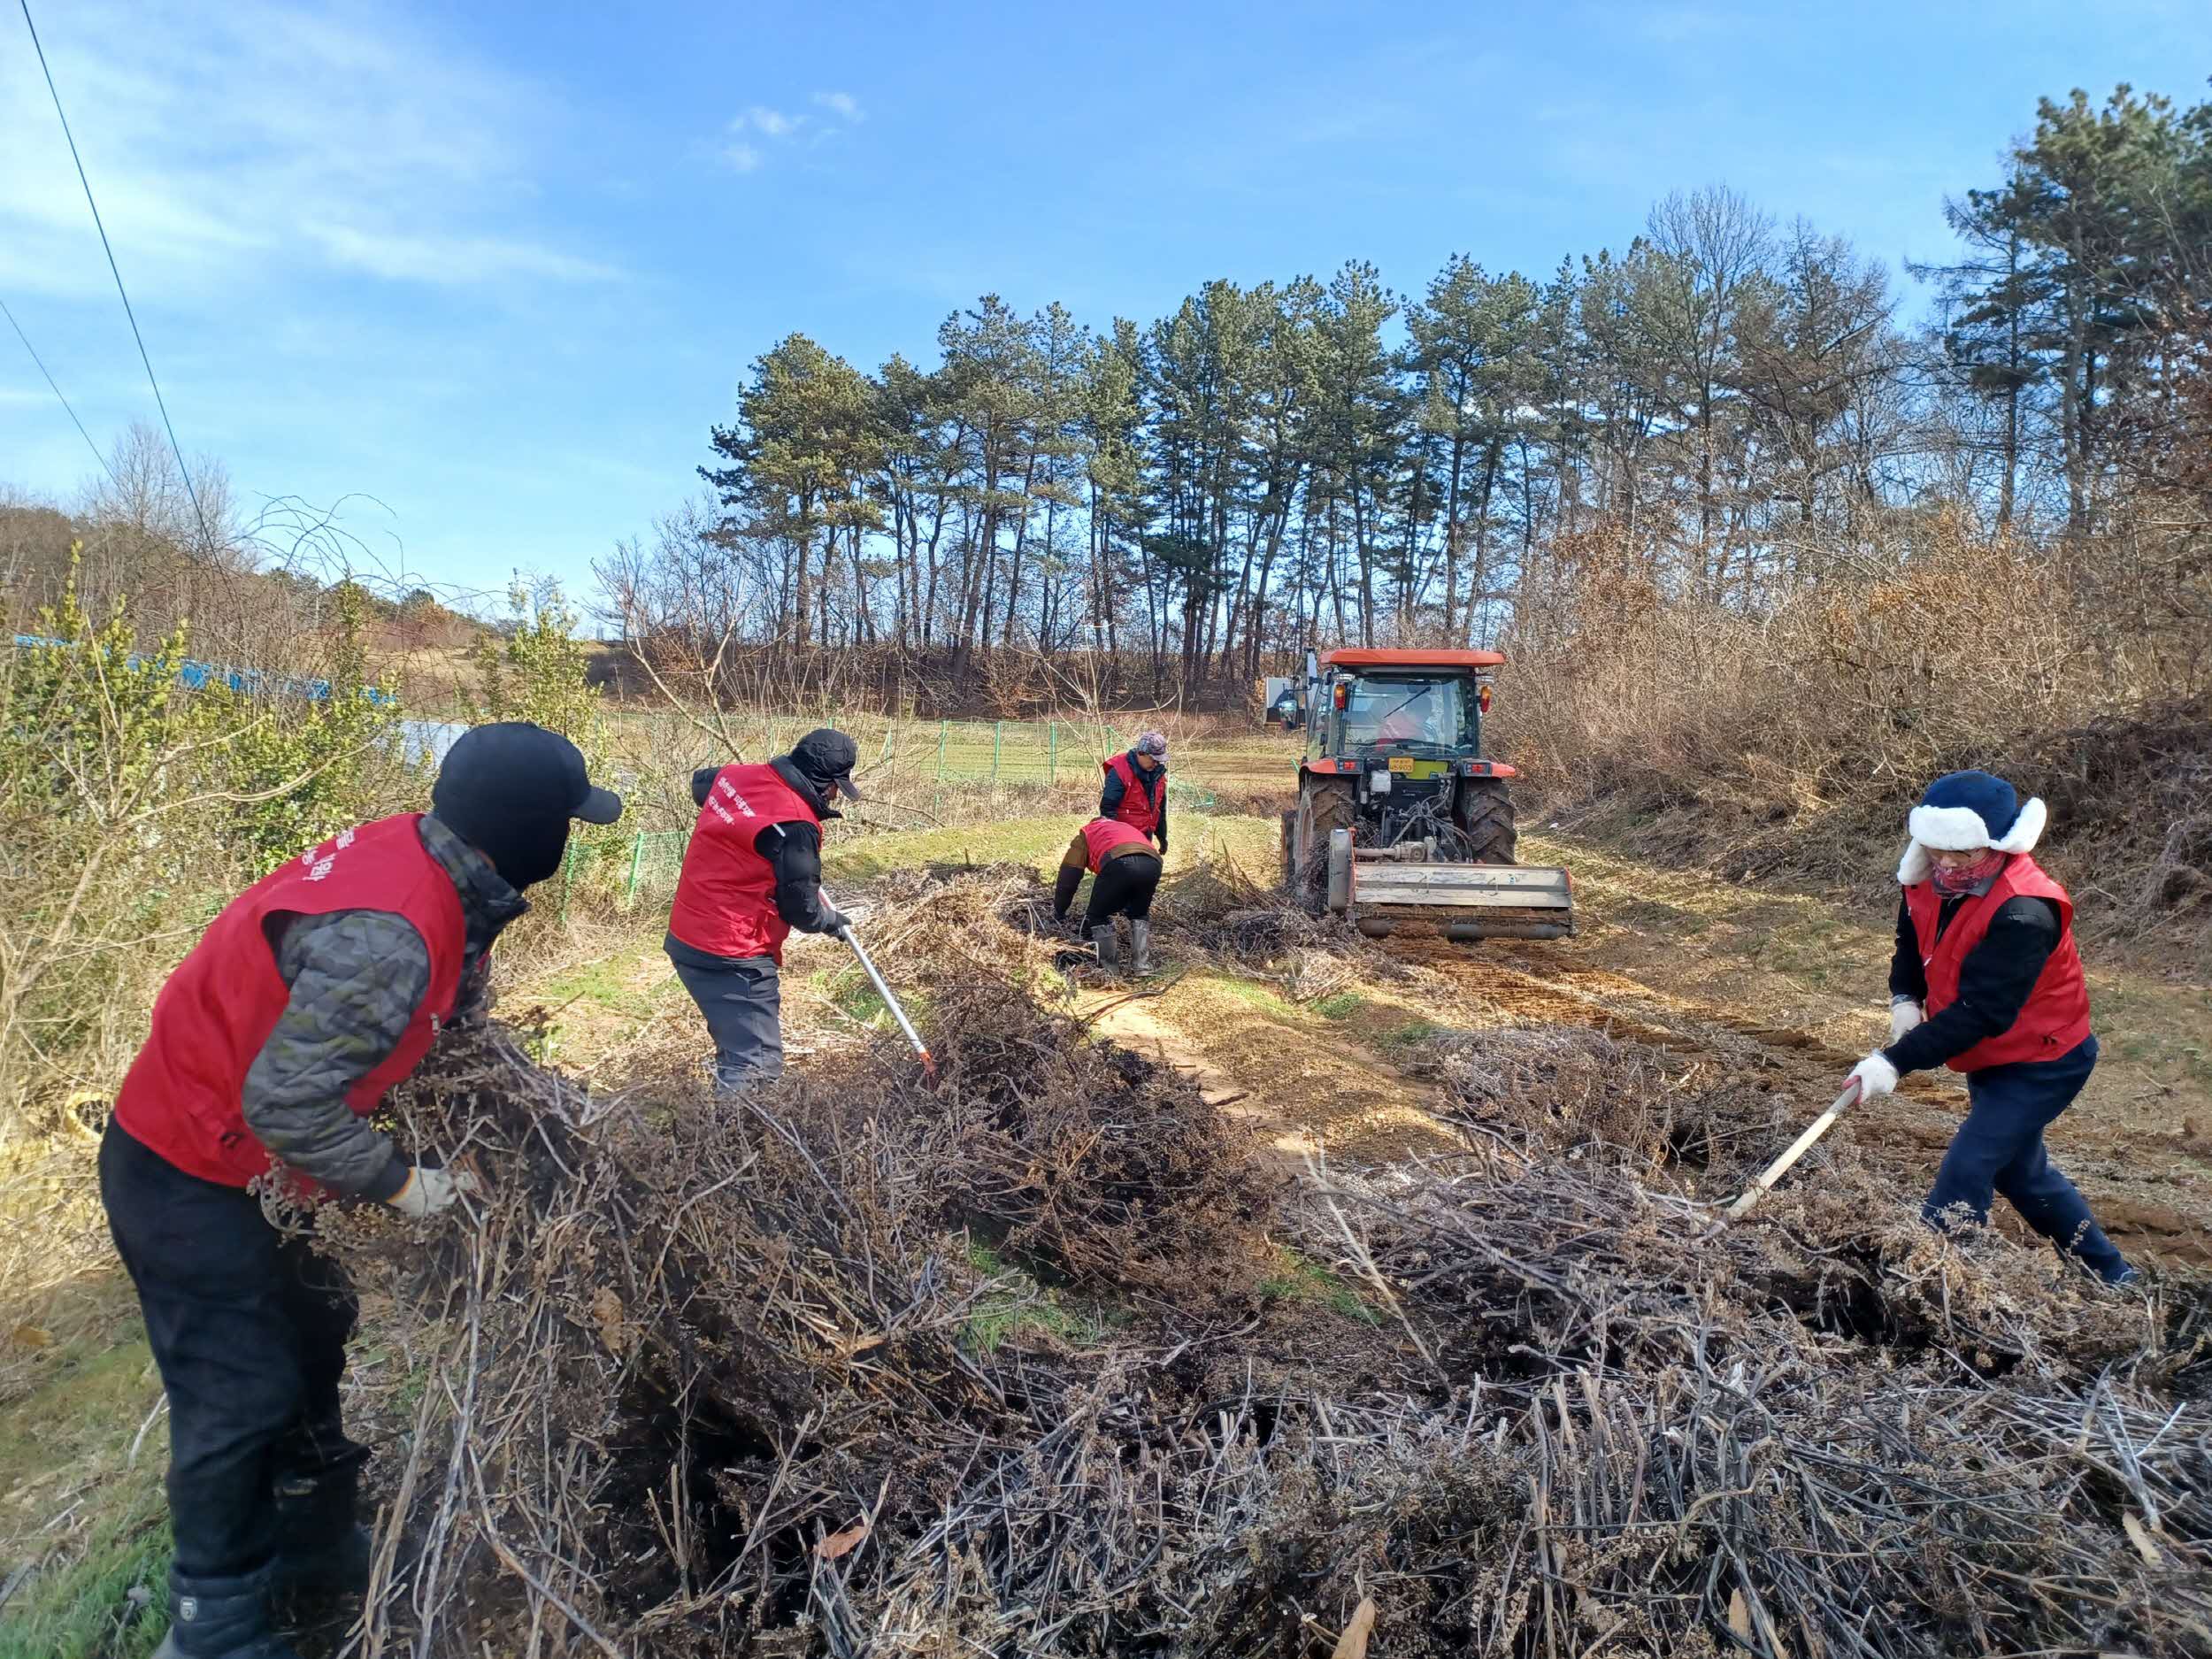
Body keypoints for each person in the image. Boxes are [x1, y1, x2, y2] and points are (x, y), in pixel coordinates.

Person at [101, 722, 622, 1659]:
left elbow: (449, 1023)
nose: (571, 842)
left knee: (314, 1335)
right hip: (189, 1170)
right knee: (239, 1394)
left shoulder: (438, 862)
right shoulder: (388, 935)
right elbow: (288, 1105)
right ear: (526, 830)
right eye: (565, 825)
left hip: (262, 1172)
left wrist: (538, 1107)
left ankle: (310, 1547)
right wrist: (401, 1185)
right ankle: (212, 1624)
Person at [1843, 770, 2134, 1286]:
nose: (1949, 864)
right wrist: (1905, 999)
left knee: (1970, 1163)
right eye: (1938, 850)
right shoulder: (1925, 879)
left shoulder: (2025, 911)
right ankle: (2111, 1274)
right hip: (1990, 1056)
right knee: (2022, 1173)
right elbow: (1910, 945)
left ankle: (1941, 1279)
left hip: (2045, 1058)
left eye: (1966, 854)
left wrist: (1895, 1061)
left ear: (1998, 843)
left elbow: (1984, 1011)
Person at [664, 727, 863, 1090]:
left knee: (736, 1045)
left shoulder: (733, 777)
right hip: (731, 953)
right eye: (836, 784)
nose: (836, 793)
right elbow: (802, 911)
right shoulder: (796, 826)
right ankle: (735, 1142)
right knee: (755, 1065)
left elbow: (700, 786)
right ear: (821, 781)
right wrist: (829, 919)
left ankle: (716, 1119)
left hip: (686, 935)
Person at [1053, 816, 1164, 974]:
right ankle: (1142, 967)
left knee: (1097, 915)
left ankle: (1110, 970)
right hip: (1153, 864)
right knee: (1139, 913)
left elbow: (1068, 877)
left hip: (1118, 862)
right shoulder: (1123, 826)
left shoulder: (1087, 833)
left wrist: (1060, 910)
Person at [1100, 731, 1169, 859]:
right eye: (1153, 759)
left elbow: (1160, 810)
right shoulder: (1119, 771)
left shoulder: (1158, 774)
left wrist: (1162, 836)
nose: (1156, 764)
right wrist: (1113, 842)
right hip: (1123, 838)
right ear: (1141, 753)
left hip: (1145, 834)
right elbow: (1108, 810)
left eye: (1159, 760)